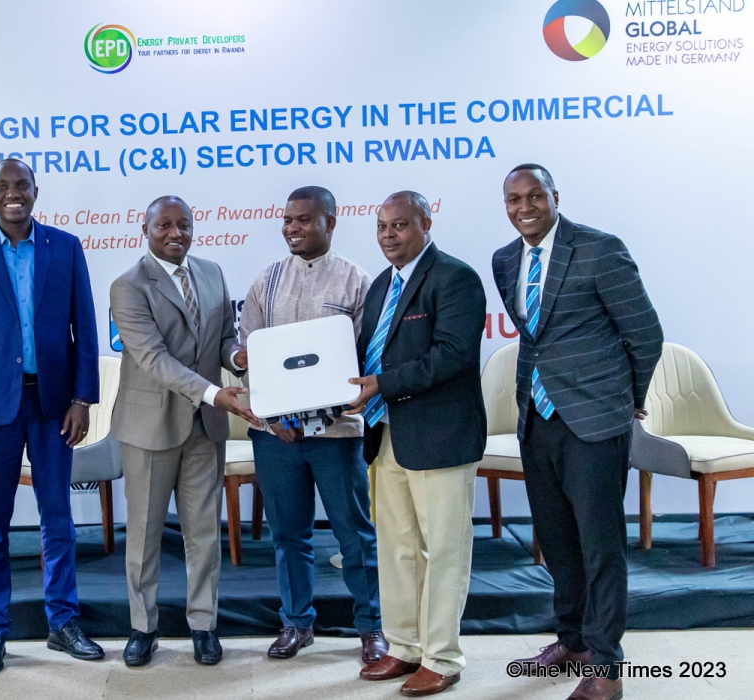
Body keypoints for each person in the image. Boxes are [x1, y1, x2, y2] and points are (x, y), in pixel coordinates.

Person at [493, 164, 662, 700]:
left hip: (595, 422)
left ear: (554, 197)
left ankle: (607, 668)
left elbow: (646, 335)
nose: (525, 207)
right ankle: (574, 640)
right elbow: (533, 339)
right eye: (515, 198)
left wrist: (625, 401)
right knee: (558, 542)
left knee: (600, 548)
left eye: (535, 195)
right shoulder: (504, 261)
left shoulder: (599, 249)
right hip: (537, 420)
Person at [0, 158, 102, 674]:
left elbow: (85, 328)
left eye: (23, 186)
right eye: (4, 187)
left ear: (37, 191)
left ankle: (63, 621)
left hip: (55, 404)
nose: (14, 194)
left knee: (58, 517)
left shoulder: (66, 247)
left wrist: (83, 398)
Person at [238, 186, 386, 664]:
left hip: (337, 434)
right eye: (287, 219)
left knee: (354, 534)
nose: (292, 227)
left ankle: (371, 628)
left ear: (330, 222)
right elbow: (250, 356)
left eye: (303, 219)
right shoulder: (267, 281)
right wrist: (271, 414)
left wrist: (336, 405)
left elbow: (368, 357)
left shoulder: (357, 282)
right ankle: (296, 623)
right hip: (275, 434)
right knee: (289, 535)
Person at [109, 195, 258, 668]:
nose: (176, 234)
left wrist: (237, 358)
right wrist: (217, 393)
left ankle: (203, 625)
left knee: (203, 535)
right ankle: (143, 627)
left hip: (204, 428)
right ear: (146, 229)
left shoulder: (212, 273)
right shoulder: (128, 286)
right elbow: (154, 359)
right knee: (145, 535)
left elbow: (224, 338)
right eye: (165, 226)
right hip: (149, 427)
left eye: (184, 225)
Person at [348, 191, 486, 697]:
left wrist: (379, 386)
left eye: (400, 225)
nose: (388, 235)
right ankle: (404, 647)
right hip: (386, 436)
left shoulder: (455, 278)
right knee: (398, 549)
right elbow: (371, 354)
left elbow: (451, 356)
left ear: (426, 223)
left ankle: (442, 657)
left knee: (445, 550)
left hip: (441, 436)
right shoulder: (382, 283)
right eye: (382, 226)